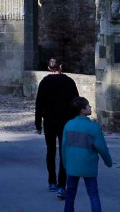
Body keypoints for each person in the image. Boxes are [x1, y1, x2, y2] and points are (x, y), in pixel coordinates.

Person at [35, 57, 80, 198]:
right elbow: (76, 102)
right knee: (63, 152)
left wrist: (37, 123)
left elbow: (39, 104)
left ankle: (52, 182)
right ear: (61, 66)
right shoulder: (69, 82)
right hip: (66, 121)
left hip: (49, 121)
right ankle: (62, 184)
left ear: (49, 68)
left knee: (50, 151)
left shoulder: (44, 82)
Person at [61, 97, 112, 212]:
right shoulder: (93, 127)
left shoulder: (68, 125)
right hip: (88, 166)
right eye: (88, 106)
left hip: (72, 166)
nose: (91, 107)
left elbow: (63, 147)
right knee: (93, 195)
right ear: (82, 110)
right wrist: (108, 162)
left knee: (70, 195)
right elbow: (102, 148)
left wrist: (65, 164)